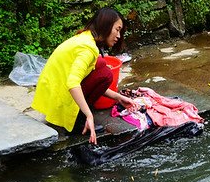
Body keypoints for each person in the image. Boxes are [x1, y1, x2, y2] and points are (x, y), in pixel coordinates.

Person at [31, 8, 137, 144]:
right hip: (58, 100)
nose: (118, 36)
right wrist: (89, 115)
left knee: (100, 64)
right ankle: (77, 121)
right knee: (105, 74)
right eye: (117, 29)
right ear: (106, 25)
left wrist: (118, 97)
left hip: (51, 95)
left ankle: (80, 113)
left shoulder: (85, 37)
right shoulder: (87, 48)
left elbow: (86, 80)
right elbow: (73, 83)